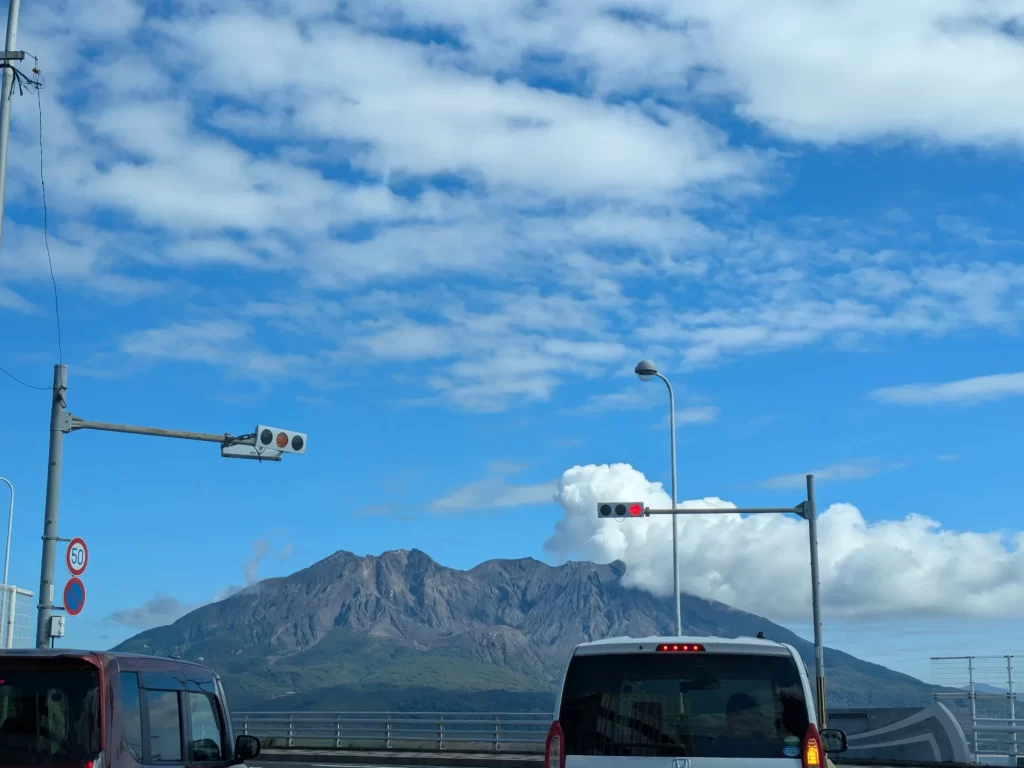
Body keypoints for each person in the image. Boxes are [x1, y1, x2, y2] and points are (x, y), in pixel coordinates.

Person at [716, 692, 778, 757]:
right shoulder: (715, 745)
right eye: (738, 714)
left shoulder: (762, 742)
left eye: (751, 713)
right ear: (728, 717)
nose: (745, 718)